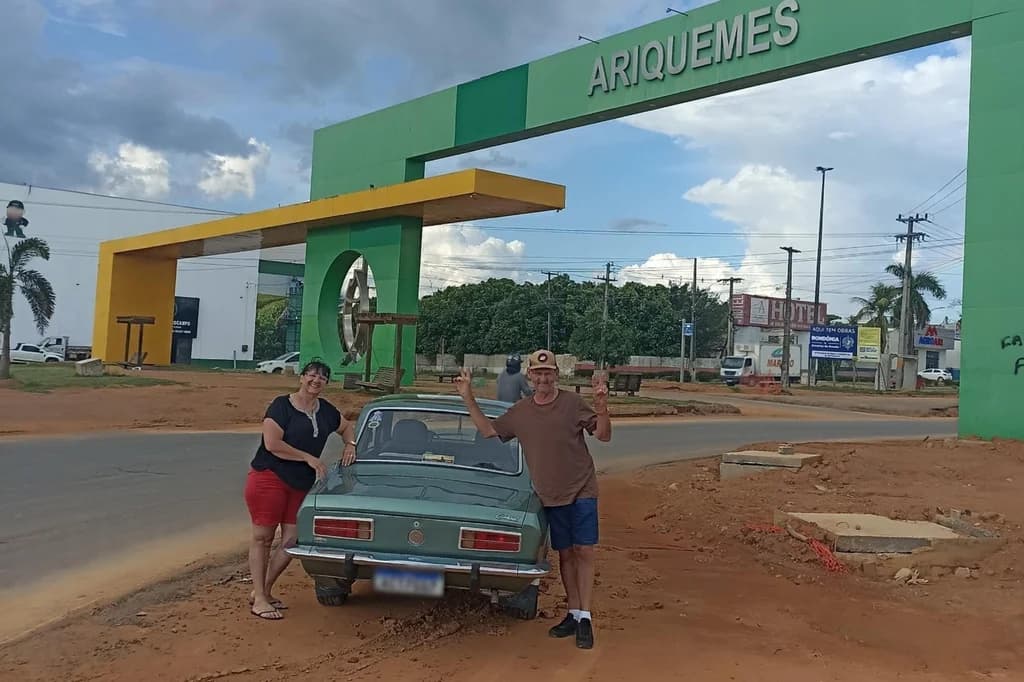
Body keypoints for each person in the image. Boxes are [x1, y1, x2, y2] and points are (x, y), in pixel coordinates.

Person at [454, 349, 611, 650]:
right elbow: (488, 430)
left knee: (585, 551)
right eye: (538, 373)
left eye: (548, 373)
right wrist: (467, 396)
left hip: (582, 489)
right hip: (550, 495)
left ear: (556, 375)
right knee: (565, 554)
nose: (543, 378)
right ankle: (573, 613)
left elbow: (603, 435)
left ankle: (587, 618)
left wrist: (602, 408)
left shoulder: (572, 403)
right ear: (529, 375)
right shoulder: (521, 412)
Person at [243, 359, 358, 620]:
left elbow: (346, 426)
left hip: (301, 483)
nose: (316, 381)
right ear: (302, 377)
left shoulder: (326, 411)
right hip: (269, 476)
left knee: (293, 540)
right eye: (311, 375)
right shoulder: (282, 405)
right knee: (263, 537)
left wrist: (350, 444)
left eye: (322, 377)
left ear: (326, 383)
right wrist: (308, 457)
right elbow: (272, 443)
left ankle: (263, 589)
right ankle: (260, 598)